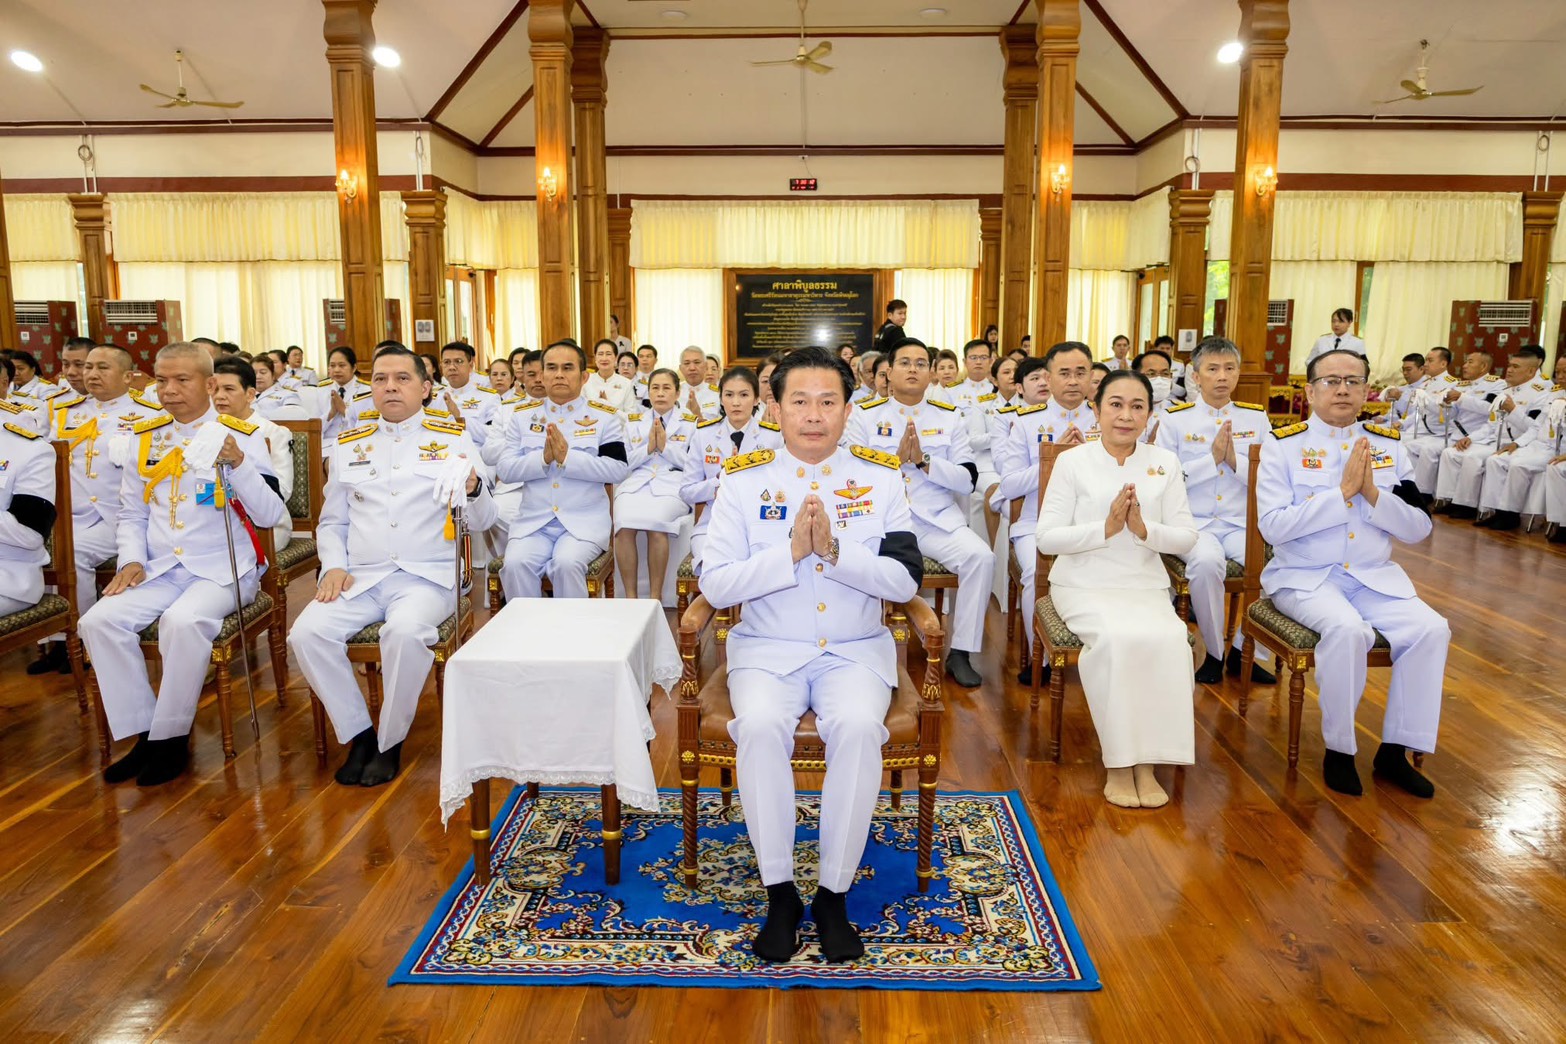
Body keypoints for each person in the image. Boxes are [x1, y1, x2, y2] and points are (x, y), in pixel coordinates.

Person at [701, 345, 922, 964]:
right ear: (775, 407)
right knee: (762, 727)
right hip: (768, 649)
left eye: (829, 401)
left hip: (854, 650)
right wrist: (792, 554)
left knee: (856, 727)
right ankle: (780, 892)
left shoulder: (881, 478)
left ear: (848, 408)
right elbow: (716, 583)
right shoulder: (743, 481)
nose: (814, 414)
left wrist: (835, 552)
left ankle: (832, 892)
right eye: (799, 401)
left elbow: (905, 582)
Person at [80, 343, 288, 787]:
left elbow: (271, 515)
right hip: (159, 569)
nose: (169, 390)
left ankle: (171, 739)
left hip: (224, 570)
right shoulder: (144, 437)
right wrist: (132, 560)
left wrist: (238, 463)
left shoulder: (243, 436)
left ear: (210, 385)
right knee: (98, 621)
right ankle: (144, 733)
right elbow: (133, 514)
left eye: (182, 380)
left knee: (184, 621)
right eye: (161, 380)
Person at [289, 344, 495, 786]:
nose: (390, 387)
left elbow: (482, 521)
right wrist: (333, 566)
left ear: (425, 388)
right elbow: (333, 522)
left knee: (402, 633)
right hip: (361, 576)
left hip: (428, 576)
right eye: (380, 379)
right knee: (306, 632)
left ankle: (390, 741)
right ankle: (359, 733)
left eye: (402, 378)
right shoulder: (349, 445)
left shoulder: (452, 439)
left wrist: (475, 489)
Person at [1257, 348, 1448, 798]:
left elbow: (1419, 528)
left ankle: (1395, 750)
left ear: (1367, 391)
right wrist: (1342, 493)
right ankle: (1340, 750)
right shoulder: (1283, 446)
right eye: (1330, 381)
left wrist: (1373, 496)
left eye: (1353, 381)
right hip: (1304, 577)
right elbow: (1273, 526)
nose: (1342, 389)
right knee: (1347, 632)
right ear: (1309, 391)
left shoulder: (1389, 447)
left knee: (1432, 630)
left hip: (1372, 576)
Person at [1036, 370, 1198, 808]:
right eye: (1115, 404)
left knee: (1169, 641)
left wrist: (1145, 529)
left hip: (1143, 585)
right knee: (1116, 640)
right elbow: (1045, 538)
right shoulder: (1073, 462)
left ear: (1149, 413)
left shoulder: (1165, 462)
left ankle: (1147, 763)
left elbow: (1186, 537)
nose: (1126, 416)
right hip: (1082, 584)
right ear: (1096, 408)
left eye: (1137, 406)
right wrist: (1104, 529)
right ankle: (1119, 764)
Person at [847, 337, 993, 688]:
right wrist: (894, 461)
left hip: (935, 520)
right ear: (888, 372)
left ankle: (961, 651)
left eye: (920, 363)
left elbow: (967, 479)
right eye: (904, 363)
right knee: (848, 563)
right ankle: (857, 644)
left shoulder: (949, 417)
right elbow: (851, 474)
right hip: (880, 522)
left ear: (931, 373)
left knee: (982, 558)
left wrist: (924, 462)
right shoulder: (865, 418)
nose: (913, 369)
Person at [24, 347, 163, 674]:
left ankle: (80, 642)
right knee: (37, 543)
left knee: (71, 553)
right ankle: (55, 641)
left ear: (128, 376)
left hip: (117, 517)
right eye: (88, 367)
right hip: (69, 514)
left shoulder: (149, 412)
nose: (91, 374)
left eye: (102, 367)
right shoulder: (63, 410)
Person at [1154, 337, 1275, 684]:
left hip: (1240, 523)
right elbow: (1164, 480)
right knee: (1207, 564)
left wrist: (1235, 462)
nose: (1222, 376)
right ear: (1195, 376)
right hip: (1194, 523)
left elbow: (1268, 479)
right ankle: (1214, 652)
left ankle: (1243, 648)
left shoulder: (1256, 418)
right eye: (1213, 369)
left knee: (1276, 568)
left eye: (1230, 368)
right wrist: (1211, 461)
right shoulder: (1175, 420)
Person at [993, 345, 1099, 683]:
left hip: (1095, 524)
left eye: (1080, 372)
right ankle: (1039, 658)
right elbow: (1009, 485)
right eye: (1064, 373)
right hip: (1036, 523)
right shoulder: (1025, 423)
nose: (1072, 381)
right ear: (1048, 378)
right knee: (1031, 577)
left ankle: (1102, 653)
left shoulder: (1106, 419)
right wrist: (1052, 460)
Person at [495, 341, 630, 599]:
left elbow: (617, 469)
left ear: (584, 376)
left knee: (566, 565)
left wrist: (569, 458)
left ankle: (572, 635)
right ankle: (529, 634)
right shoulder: (522, 417)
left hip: (584, 524)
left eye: (567, 368)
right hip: (534, 524)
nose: (558, 374)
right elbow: (505, 469)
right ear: (542, 374)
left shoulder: (605, 417)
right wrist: (543, 459)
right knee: (514, 565)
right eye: (551, 368)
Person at [680, 366, 781, 571]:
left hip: (759, 523)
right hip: (713, 524)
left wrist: (745, 480)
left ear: (755, 400)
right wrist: (719, 481)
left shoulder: (772, 437)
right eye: (729, 395)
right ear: (721, 398)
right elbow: (686, 491)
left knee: (757, 567)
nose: (736, 402)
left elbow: (781, 490)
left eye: (743, 395)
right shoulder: (704, 435)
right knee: (715, 567)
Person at [1433, 346, 1550, 518]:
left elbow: (1534, 428)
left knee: (1475, 458)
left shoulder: (1540, 395)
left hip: (1521, 443)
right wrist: (1470, 438)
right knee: (1452, 453)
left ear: (1531, 371)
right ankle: (1453, 500)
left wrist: (1513, 410)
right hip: (1494, 440)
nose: (1509, 370)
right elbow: (1491, 424)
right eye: (1509, 365)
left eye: (1516, 367)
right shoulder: (1505, 392)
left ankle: (1490, 510)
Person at [613, 368, 696, 601]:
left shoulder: (691, 423)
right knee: (622, 524)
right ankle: (630, 598)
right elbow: (623, 463)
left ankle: (655, 597)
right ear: (648, 392)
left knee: (656, 524)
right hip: (636, 484)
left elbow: (693, 465)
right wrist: (649, 448)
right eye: (655, 388)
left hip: (672, 485)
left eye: (666, 388)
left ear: (677, 393)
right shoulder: (632, 423)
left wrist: (666, 447)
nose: (660, 393)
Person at [211, 358, 296, 556]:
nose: (219, 397)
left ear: (250, 394)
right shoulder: (206, 431)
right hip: (213, 519)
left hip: (263, 523)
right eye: (214, 390)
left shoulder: (272, 433)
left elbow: (282, 490)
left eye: (229, 389)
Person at [1473, 352, 1566, 530]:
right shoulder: (1553, 393)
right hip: (1537, 444)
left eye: (1565, 372)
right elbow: (1538, 427)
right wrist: (1518, 443)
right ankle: (1497, 511)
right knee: (1496, 459)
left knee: (1518, 464)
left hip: (1557, 450)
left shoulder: (1540, 393)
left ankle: (1510, 515)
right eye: (1558, 372)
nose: (1560, 377)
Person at [1399, 347, 1459, 494]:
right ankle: (1405, 486)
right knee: (1399, 444)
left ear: (1443, 364)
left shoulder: (1452, 384)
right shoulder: (1426, 384)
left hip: (1440, 432)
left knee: (1425, 450)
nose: (1425, 364)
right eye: (1426, 360)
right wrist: (1401, 423)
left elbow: (1447, 413)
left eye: (1430, 360)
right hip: (1423, 430)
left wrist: (1427, 401)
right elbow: (1419, 411)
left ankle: (1423, 493)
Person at [440, 341, 500, 446]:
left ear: (471, 365)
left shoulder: (489, 397)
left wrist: (461, 420)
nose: (452, 367)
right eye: (446, 362)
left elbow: (495, 435)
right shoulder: (432, 397)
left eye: (458, 361)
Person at [320, 346, 373, 450]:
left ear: (354, 368)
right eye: (332, 366)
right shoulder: (321, 390)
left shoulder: (367, 391)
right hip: (326, 447)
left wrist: (344, 411)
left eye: (342, 365)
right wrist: (330, 414)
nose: (336, 370)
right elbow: (314, 426)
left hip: (355, 445)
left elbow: (368, 428)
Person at [583, 338, 638, 414]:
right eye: (600, 354)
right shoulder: (585, 381)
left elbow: (630, 415)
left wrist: (607, 407)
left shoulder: (626, 383)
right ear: (595, 358)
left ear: (616, 358)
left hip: (618, 426)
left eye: (608, 354)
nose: (604, 358)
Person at [251, 352, 308, 421]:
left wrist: (258, 417)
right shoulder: (244, 395)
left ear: (273, 375)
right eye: (254, 373)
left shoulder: (288, 394)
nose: (258, 376)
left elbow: (296, 414)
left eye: (263, 372)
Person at [1134, 349, 1176, 433]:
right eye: (1151, 374)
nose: (1159, 379)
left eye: (1165, 374)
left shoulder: (1179, 412)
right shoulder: (1124, 409)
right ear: (1137, 377)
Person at [677, 346, 722, 421]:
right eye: (687, 363)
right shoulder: (673, 392)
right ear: (681, 368)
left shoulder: (718, 393)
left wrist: (697, 414)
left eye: (697, 362)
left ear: (705, 366)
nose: (692, 368)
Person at [1382, 353, 1427, 425]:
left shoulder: (1428, 388)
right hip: (1398, 426)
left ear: (1421, 369)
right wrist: (1384, 418)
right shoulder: (1402, 388)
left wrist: (1400, 397)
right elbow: (1396, 413)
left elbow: (1419, 414)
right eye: (1403, 370)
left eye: (1408, 369)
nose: (1405, 373)